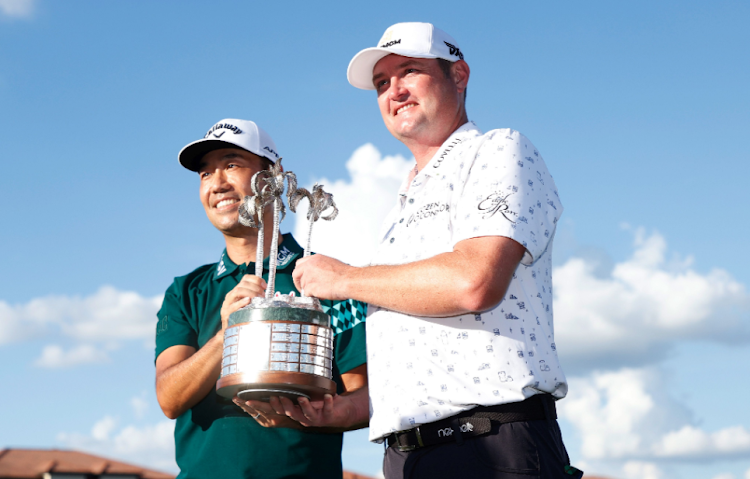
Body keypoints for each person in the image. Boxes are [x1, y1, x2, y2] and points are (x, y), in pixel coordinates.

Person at [286, 23, 582, 479]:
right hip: (408, 457)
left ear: (458, 75)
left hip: (490, 446)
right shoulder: (399, 208)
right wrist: (340, 411)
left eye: (409, 72)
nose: (394, 90)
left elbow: (474, 282)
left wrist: (344, 278)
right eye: (382, 84)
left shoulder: (498, 150)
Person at [154, 118, 368, 479]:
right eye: (205, 174)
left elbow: (363, 400)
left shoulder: (327, 278)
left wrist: (308, 417)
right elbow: (169, 398)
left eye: (232, 164)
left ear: (274, 177)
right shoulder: (186, 291)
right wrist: (229, 334)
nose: (217, 183)